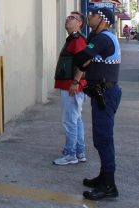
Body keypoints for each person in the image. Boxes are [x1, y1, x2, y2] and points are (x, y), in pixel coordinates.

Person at [73, 7, 122, 200]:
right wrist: (85, 60)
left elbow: (79, 59)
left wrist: (86, 60)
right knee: (100, 138)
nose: (89, 17)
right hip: (102, 93)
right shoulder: (98, 38)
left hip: (105, 94)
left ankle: (109, 185)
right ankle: (104, 176)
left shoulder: (103, 38)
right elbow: (82, 61)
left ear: (103, 19)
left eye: (93, 15)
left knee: (103, 139)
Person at [53, 11, 87, 165]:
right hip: (72, 86)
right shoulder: (73, 39)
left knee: (70, 121)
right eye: (67, 17)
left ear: (79, 23)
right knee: (76, 120)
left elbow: (84, 62)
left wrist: (75, 82)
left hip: (72, 87)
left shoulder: (77, 40)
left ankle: (70, 154)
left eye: (72, 18)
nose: (67, 19)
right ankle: (79, 152)